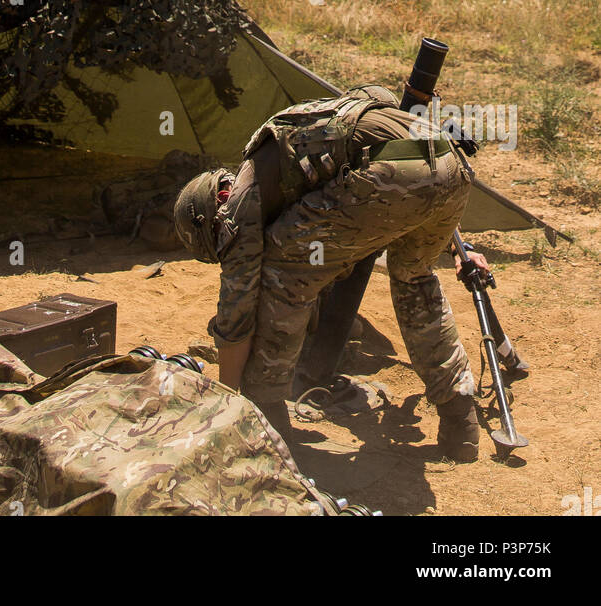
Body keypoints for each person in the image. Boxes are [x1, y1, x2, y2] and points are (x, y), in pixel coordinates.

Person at [173, 85, 480, 461]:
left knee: (283, 274)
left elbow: (236, 324)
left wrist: (230, 404)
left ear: (216, 204)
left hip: (394, 173)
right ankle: (459, 418)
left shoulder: (237, 205)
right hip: (449, 165)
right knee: (413, 276)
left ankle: (268, 421)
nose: (227, 250)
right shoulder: (296, 128)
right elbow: (380, 96)